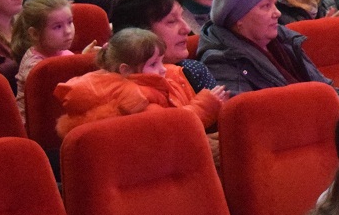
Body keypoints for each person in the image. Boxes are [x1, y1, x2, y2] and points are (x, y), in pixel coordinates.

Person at [54, 28, 224, 141]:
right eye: (153, 64)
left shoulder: (134, 85)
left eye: (161, 61)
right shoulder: (136, 99)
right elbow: (170, 130)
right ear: (126, 70)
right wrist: (204, 106)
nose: (163, 69)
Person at [196, 0, 335, 97]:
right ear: (239, 18)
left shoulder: (283, 37)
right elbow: (251, 111)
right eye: (266, 6)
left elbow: (325, 85)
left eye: (275, 4)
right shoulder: (220, 61)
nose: (277, 13)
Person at [10, 0, 78, 118]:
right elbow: (60, 96)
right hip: (37, 125)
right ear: (35, 34)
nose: (68, 31)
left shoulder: (60, 51)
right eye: (58, 27)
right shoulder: (34, 66)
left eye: (70, 22)